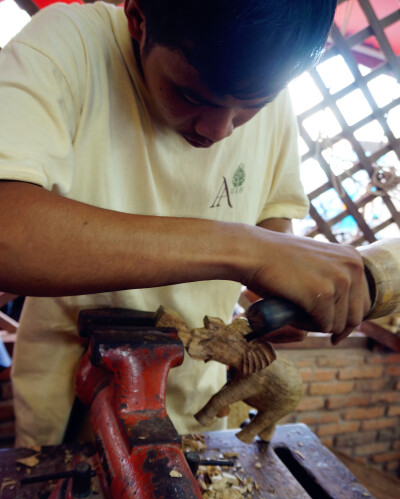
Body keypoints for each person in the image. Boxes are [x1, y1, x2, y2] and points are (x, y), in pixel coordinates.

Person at [0, 0, 371, 447]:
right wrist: (249, 251)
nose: (219, 131)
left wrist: (283, 292)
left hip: (195, 417)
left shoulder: (269, 91)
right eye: (191, 95)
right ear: (138, 19)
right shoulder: (70, 43)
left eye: (250, 107)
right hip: (72, 413)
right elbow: (9, 231)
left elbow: (273, 228)